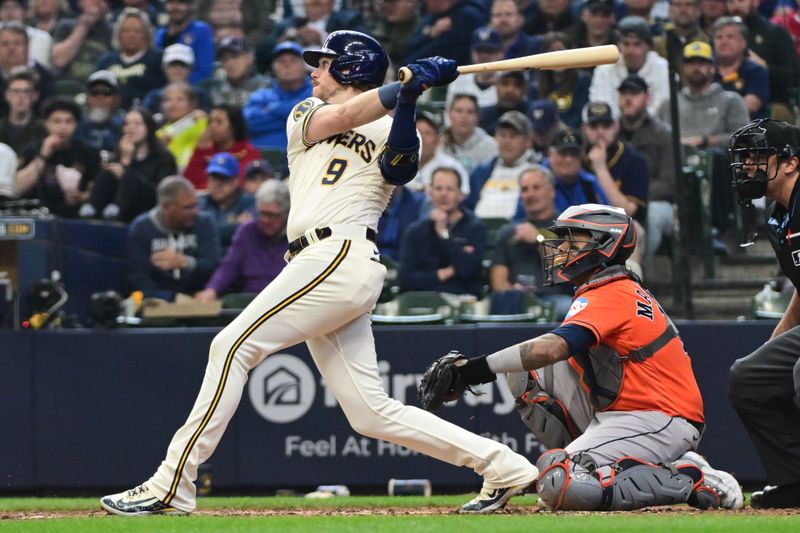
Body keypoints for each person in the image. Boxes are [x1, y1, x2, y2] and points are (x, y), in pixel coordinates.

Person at [100, 30, 538, 517]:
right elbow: (347, 115)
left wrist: (410, 98)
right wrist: (403, 87)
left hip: (340, 253)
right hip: (321, 261)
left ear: (351, 68)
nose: (314, 70)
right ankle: (504, 465)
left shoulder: (399, 124)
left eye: (326, 63)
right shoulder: (305, 112)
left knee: (231, 346)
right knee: (370, 412)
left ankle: (170, 484)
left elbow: (398, 168)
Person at [421, 203, 744, 512]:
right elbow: (543, 355)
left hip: (658, 417)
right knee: (524, 375)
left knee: (556, 483)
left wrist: (473, 370)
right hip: (626, 412)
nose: (560, 248)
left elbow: (551, 348)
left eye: (572, 239)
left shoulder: (612, 290)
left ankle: (691, 478)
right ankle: (605, 465)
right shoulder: (606, 287)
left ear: (604, 243)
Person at [728, 119, 800, 509]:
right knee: (750, 376)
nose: (750, 166)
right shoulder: (779, 216)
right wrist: (777, 342)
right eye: (747, 158)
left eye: (759, 156)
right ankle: (795, 479)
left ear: (790, 163)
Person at [657, 41, 749, 239]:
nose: (696, 67)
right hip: (677, 160)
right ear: (684, 68)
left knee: (715, 159)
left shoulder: (730, 99)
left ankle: (717, 226)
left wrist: (706, 140)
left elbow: (745, 137)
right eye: (691, 63)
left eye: (702, 62)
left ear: (712, 67)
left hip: (716, 160)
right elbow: (659, 137)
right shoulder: (669, 103)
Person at [489, 165, 573, 319]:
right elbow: (498, 279)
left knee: (567, 308)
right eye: (525, 189)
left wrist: (538, 239)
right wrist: (511, 293)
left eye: (536, 187)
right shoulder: (509, 232)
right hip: (517, 301)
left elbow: (564, 275)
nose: (530, 194)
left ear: (552, 191)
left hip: (554, 298)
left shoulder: (567, 229)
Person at [124, 175, 220, 299]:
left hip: (199, 298)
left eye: (196, 205)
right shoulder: (142, 228)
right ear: (166, 207)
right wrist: (171, 298)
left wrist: (186, 262)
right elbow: (137, 277)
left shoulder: (204, 222)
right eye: (187, 207)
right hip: (156, 302)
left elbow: (214, 266)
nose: (195, 211)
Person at [196, 179, 289, 302]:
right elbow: (229, 266)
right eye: (262, 213)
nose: (265, 220)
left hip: (285, 303)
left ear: (287, 213)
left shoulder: (296, 236)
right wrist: (212, 290)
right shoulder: (248, 231)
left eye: (272, 215)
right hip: (249, 305)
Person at [616, 74, 676, 265]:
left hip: (657, 202)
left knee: (652, 215)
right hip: (617, 202)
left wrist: (637, 199)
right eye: (624, 93)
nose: (628, 98)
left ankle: (638, 272)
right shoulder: (610, 132)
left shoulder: (663, 134)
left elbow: (669, 184)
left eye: (634, 93)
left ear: (647, 98)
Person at [398, 166, 485, 297]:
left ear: (461, 195)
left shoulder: (474, 228)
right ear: (430, 192)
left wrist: (444, 234)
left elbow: (469, 271)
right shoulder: (415, 231)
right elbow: (405, 280)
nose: (444, 194)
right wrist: (444, 273)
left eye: (450, 189)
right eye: (438, 188)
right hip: (421, 301)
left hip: (461, 301)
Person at [83, 108, 177, 222]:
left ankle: (117, 210)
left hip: (148, 203)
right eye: (127, 124)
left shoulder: (163, 158)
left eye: (137, 124)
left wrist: (126, 171)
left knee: (128, 176)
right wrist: (124, 160)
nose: (131, 128)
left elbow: (161, 192)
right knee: (108, 171)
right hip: (111, 205)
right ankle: (92, 208)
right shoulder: (117, 155)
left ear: (149, 127)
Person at [15, 97, 100, 217]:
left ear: (76, 124)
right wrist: (43, 155)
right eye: (57, 121)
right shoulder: (31, 150)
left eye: (69, 121)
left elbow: (97, 189)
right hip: (36, 216)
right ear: (46, 123)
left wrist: (82, 197)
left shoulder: (89, 153)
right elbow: (18, 188)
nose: (63, 127)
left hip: (76, 218)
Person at [467, 110, 541, 219]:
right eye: (502, 135)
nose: (507, 141)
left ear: (528, 141)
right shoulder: (482, 171)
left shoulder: (538, 170)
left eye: (513, 136)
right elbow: (468, 206)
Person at [590, 16, 669, 115]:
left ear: (649, 46)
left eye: (637, 44)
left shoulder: (664, 69)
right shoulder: (604, 70)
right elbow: (601, 106)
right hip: (613, 128)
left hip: (653, 127)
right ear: (618, 44)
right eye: (626, 44)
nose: (630, 51)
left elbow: (663, 108)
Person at [243, 41, 312, 150]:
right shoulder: (261, 96)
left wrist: (272, 109)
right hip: (264, 158)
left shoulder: (316, 92)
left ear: (304, 66)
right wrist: (295, 112)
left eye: (293, 60)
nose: (287, 65)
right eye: (281, 61)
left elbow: (315, 123)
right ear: (273, 68)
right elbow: (248, 123)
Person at [97, 8, 167, 110]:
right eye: (126, 31)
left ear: (147, 35)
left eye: (137, 31)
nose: (131, 35)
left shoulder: (158, 59)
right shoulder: (107, 60)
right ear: (119, 34)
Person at [184, 104, 260, 190]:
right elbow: (188, 184)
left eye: (219, 122)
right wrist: (200, 151)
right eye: (210, 122)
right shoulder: (205, 149)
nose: (212, 126)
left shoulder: (247, 151)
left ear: (234, 127)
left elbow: (239, 185)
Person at [711, 16, 770, 120]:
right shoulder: (708, 73)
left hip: (749, 131)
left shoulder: (757, 71)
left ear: (743, 43)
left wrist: (711, 110)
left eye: (730, 37)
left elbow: (751, 105)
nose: (724, 41)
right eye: (719, 37)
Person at [198, 152, 256, 251]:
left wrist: (210, 229)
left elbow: (249, 232)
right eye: (213, 178)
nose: (217, 185)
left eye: (223, 178)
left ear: (236, 180)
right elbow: (198, 234)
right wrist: (235, 224)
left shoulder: (249, 202)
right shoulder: (200, 203)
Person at [406, 110, 469, 195]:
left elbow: (463, 196)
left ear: (438, 140)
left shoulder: (453, 166)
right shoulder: (398, 164)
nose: (422, 138)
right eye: (417, 132)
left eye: (428, 133)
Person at [545, 129, 609, 212]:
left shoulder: (589, 183)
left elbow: (605, 215)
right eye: (563, 153)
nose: (569, 160)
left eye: (574, 154)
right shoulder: (537, 181)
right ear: (550, 154)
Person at [51, 0, 112, 83]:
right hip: (68, 84)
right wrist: (84, 26)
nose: (96, 2)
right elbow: (59, 60)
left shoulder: (111, 31)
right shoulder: (65, 26)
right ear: (80, 2)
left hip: (98, 87)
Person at [0, 23, 53, 117]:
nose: (11, 48)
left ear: (27, 46)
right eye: (5, 44)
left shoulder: (45, 76)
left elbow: (48, 112)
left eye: (17, 43)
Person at [155, 0, 215, 84]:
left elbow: (204, 72)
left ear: (191, 5)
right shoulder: (159, 33)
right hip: (161, 90)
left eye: (181, 2)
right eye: (171, 2)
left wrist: (179, 88)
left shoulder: (201, 30)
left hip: (191, 90)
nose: (175, 7)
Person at [155, 82, 208, 172]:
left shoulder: (201, 122)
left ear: (191, 104)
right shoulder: (159, 133)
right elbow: (163, 137)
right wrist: (189, 120)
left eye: (180, 99)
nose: (173, 104)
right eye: (168, 100)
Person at [441, 93, 498, 174]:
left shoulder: (492, 147)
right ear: (449, 114)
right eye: (459, 111)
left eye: (470, 112)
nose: (464, 116)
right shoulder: (438, 145)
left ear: (477, 117)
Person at [205, 36, 267, 108]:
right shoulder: (214, 91)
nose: (229, 63)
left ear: (249, 57)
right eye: (224, 59)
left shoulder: (266, 86)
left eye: (235, 56)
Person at [75, 70, 124, 153]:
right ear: (87, 97)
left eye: (107, 92)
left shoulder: (126, 125)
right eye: (94, 92)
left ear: (117, 98)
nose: (100, 97)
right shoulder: (75, 125)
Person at [0, 68, 46, 154]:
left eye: (27, 91)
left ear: (35, 95)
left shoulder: (44, 130)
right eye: (15, 91)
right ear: (6, 95)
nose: (21, 96)